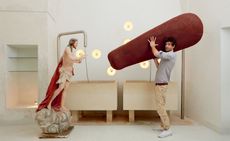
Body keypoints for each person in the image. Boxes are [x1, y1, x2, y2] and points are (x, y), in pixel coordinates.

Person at [36, 38, 85, 112]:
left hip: (69, 73)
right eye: (76, 43)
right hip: (64, 72)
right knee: (60, 88)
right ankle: (49, 103)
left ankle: (62, 106)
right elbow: (71, 57)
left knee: (65, 89)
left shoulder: (72, 50)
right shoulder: (67, 48)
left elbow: (71, 60)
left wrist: (79, 60)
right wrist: (79, 57)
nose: (77, 44)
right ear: (72, 43)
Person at [148, 36, 176, 138]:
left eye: (169, 44)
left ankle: (168, 129)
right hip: (160, 85)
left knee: (160, 107)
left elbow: (156, 53)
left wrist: (152, 45)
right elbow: (159, 67)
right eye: (166, 44)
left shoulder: (171, 55)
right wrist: (155, 60)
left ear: (173, 46)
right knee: (161, 106)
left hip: (161, 85)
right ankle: (164, 126)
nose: (167, 46)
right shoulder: (167, 57)